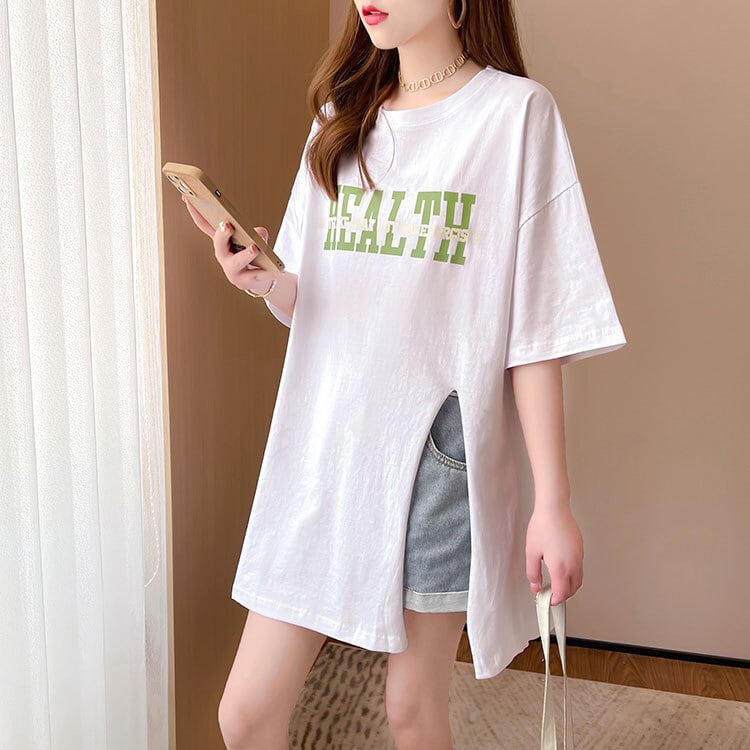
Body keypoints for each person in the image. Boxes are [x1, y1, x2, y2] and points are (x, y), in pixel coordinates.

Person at [183, 1, 627, 748]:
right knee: (245, 714)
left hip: (433, 455)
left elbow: (537, 326)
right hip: (322, 444)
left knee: (411, 711)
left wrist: (554, 502)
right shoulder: (339, 116)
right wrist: (263, 280)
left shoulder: (515, 116)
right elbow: (313, 296)